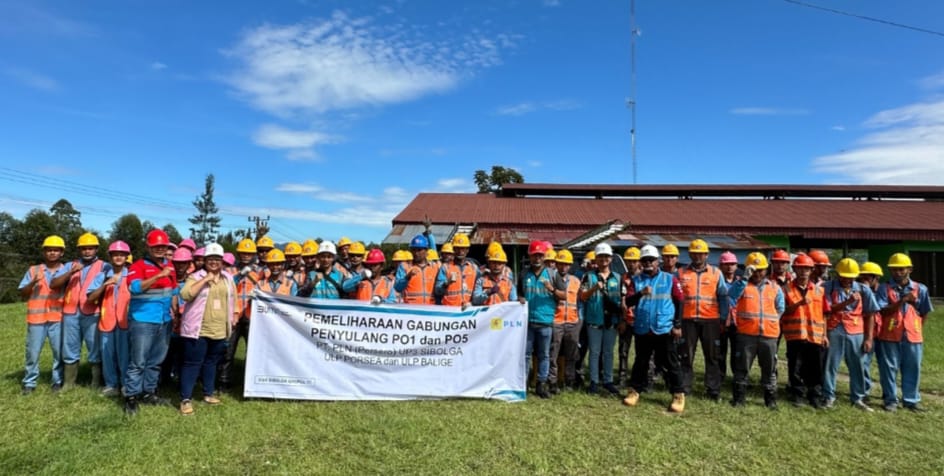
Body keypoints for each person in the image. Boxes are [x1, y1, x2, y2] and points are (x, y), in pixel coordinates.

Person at [622, 244, 686, 413]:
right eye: (645, 260)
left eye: (651, 260)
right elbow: (627, 302)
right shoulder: (636, 281)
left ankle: (678, 394)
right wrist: (640, 293)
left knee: (671, 362)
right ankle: (634, 391)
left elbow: (680, 301)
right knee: (640, 362)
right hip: (643, 328)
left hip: (664, 328)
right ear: (641, 262)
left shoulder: (669, 279)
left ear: (658, 261)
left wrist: (677, 325)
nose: (648, 263)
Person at [177, 243, 236, 415]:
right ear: (204, 260)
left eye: (217, 259)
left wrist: (232, 317)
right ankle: (185, 399)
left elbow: (232, 299)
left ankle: (208, 393)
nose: (214, 262)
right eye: (210, 259)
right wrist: (205, 280)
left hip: (219, 328)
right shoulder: (195, 277)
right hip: (198, 328)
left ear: (222, 261)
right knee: (192, 363)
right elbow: (185, 295)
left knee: (211, 362)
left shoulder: (228, 278)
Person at [124, 229, 177, 415]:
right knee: (138, 361)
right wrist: (158, 276)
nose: (160, 249)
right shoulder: (138, 266)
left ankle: (149, 392)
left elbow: (174, 292)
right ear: (148, 247)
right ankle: (131, 397)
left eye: (163, 246)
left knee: (156, 361)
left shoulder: (170, 266)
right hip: (143, 321)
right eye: (156, 246)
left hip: (164, 320)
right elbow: (134, 288)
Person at [874, 253, 933, 412]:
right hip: (890, 335)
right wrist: (902, 301)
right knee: (889, 369)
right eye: (893, 270)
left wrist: (918, 328)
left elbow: (925, 311)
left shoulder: (920, 289)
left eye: (901, 269)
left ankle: (911, 400)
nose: (897, 273)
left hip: (912, 335)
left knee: (912, 367)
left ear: (910, 269)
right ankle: (890, 400)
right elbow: (882, 311)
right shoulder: (884, 288)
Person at [727, 252, 785, 409]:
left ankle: (770, 401)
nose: (758, 273)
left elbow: (780, 308)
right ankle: (739, 400)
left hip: (769, 335)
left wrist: (769, 322)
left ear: (766, 270)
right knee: (742, 368)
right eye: (754, 270)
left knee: (770, 370)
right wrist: (744, 280)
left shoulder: (775, 288)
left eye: (761, 270)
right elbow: (731, 297)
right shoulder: (741, 285)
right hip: (747, 335)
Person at [50, 232, 106, 390]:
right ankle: (69, 383)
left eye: (91, 248)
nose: (87, 251)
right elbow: (53, 284)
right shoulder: (70, 265)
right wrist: (71, 272)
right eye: (84, 248)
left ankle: (95, 381)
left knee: (94, 347)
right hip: (70, 313)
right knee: (70, 347)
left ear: (96, 249)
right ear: (79, 250)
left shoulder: (104, 266)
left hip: (92, 312)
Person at [822, 258, 879, 410]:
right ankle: (828, 396)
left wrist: (868, 338)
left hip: (856, 332)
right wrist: (847, 302)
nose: (847, 279)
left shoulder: (863, 289)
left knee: (858, 365)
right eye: (844, 276)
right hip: (834, 329)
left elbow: (871, 314)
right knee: (830, 364)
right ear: (838, 274)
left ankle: (858, 398)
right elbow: (827, 309)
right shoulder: (828, 287)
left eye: (851, 276)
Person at [676, 239, 728, 401]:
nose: (698, 256)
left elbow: (723, 296)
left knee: (712, 357)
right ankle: (684, 388)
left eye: (701, 253)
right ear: (690, 254)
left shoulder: (716, 273)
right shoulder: (680, 273)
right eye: (695, 253)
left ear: (707, 255)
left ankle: (713, 390)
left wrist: (723, 318)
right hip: (687, 320)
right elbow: (675, 298)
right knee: (685, 355)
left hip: (710, 321)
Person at [18, 235, 68, 395]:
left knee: (58, 352)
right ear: (44, 252)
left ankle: (57, 381)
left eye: (56, 250)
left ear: (61, 252)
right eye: (49, 250)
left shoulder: (67, 270)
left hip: (58, 318)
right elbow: (22, 293)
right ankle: (29, 382)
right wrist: (33, 282)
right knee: (32, 352)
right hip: (36, 319)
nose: (52, 253)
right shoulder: (34, 270)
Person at [780, 254, 828, 408]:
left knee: (815, 367)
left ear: (811, 270)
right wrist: (799, 303)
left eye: (806, 269)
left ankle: (815, 395)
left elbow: (824, 314)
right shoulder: (786, 289)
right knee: (795, 367)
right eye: (800, 269)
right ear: (794, 269)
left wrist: (825, 335)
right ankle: (798, 394)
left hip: (815, 336)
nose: (803, 272)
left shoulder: (819, 291)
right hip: (795, 335)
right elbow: (782, 311)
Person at [87, 240, 132, 397]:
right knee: (107, 356)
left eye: (122, 254)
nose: (118, 257)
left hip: (125, 322)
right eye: (115, 254)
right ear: (110, 257)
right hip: (107, 322)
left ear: (127, 256)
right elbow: (90, 297)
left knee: (125, 356)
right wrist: (106, 284)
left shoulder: (132, 275)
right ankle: (111, 385)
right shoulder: (102, 276)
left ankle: (127, 385)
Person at [579, 243, 623, 396]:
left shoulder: (618, 278)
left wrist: (621, 320)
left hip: (611, 321)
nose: (604, 259)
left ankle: (608, 381)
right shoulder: (588, 276)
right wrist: (594, 288)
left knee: (609, 352)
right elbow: (582, 296)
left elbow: (621, 301)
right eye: (600, 256)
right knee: (595, 352)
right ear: (596, 259)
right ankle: (594, 381)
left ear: (611, 259)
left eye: (606, 256)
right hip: (594, 320)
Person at [220, 238, 260, 391]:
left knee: (253, 352)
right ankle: (224, 381)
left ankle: (251, 381)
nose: (245, 256)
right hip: (233, 315)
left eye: (249, 253)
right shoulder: (229, 270)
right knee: (228, 351)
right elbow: (225, 286)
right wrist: (238, 276)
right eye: (243, 253)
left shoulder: (260, 271)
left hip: (252, 316)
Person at [518, 240, 557, 399]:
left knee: (544, 355)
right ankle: (524, 383)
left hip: (545, 322)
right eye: (534, 256)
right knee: (525, 354)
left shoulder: (553, 274)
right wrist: (520, 298)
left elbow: (563, 295)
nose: (537, 259)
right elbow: (519, 293)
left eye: (540, 255)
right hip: (527, 322)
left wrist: (552, 289)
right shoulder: (523, 274)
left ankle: (541, 384)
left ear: (544, 257)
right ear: (530, 256)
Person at [548, 249, 580, 392]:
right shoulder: (551, 279)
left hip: (572, 322)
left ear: (570, 266)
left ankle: (569, 381)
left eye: (566, 264)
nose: (563, 267)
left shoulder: (575, 281)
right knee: (553, 353)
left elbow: (580, 301)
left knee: (571, 354)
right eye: (560, 264)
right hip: (556, 321)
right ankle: (552, 380)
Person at [298, 241, 363, 299]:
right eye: (323, 256)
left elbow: (346, 294)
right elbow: (300, 295)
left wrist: (361, 277)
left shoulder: (340, 275)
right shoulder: (311, 274)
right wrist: (312, 283)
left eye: (329, 257)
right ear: (318, 257)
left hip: (333, 312)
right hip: (314, 312)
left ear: (333, 258)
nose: (326, 260)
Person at [857, 261, 883, 397]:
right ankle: (864, 391)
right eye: (862, 277)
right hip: (866, 332)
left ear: (876, 278)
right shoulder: (859, 291)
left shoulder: (884, 291)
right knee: (863, 363)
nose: (863, 280)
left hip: (883, 334)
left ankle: (888, 394)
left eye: (867, 277)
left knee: (886, 366)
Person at [617, 246, 641, 386]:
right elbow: (620, 300)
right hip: (626, 320)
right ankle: (622, 377)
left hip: (641, 321)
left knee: (643, 353)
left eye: (634, 261)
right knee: (623, 351)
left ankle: (642, 378)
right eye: (628, 261)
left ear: (639, 262)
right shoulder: (622, 278)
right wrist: (622, 319)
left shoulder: (644, 278)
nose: (631, 264)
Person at [435, 233, 479, 309]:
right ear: (453, 249)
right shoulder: (445, 267)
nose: (460, 251)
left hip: (467, 310)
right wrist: (446, 283)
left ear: (467, 250)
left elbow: (478, 290)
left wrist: (472, 303)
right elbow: (437, 291)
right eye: (457, 248)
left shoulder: (474, 268)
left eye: (463, 248)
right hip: (449, 311)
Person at [395, 235, 439, 304]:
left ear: (426, 251)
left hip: (430, 309)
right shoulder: (405, 267)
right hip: (411, 310)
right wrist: (407, 277)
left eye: (419, 250)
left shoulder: (434, 267)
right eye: (414, 249)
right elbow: (397, 288)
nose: (416, 253)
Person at [718, 251, 740, 381]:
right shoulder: (717, 281)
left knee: (737, 352)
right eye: (726, 264)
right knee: (720, 351)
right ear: (721, 266)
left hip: (737, 322)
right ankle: (720, 376)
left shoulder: (740, 282)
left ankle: (737, 377)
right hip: (721, 321)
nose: (729, 267)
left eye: (732, 264)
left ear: (736, 266)